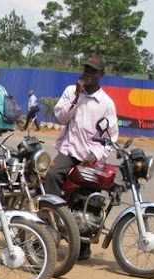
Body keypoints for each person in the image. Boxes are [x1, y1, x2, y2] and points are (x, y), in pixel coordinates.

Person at [45, 57, 119, 260]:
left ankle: (84, 243)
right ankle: (50, 227)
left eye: (93, 72)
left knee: (92, 196)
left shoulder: (106, 103)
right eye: (86, 70)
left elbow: (111, 136)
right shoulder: (71, 91)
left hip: (91, 157)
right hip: (69, 152)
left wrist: (94, 155)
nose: (88, 75)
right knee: (52, 175)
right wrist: (76, 97)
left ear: (101, 75)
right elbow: (61, 117)